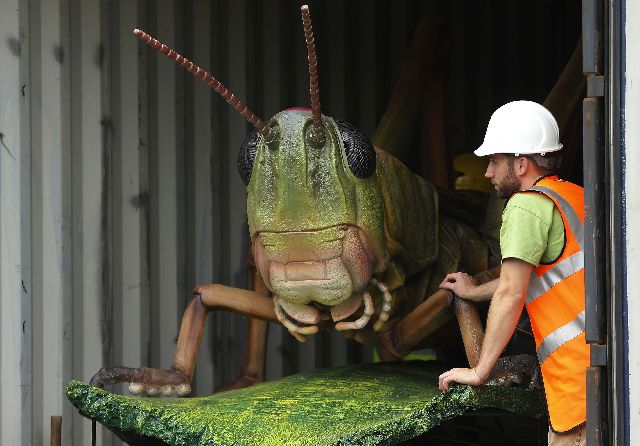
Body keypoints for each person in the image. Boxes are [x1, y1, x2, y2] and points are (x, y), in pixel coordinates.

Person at [437, 100, 588, 445]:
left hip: (573, 386)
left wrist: (479, 371)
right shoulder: (573, 197)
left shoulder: (526, 206)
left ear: (520, 164)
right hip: (605, 379)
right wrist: (474, 292)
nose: (487, 172)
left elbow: (511, 293)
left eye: (493, 161)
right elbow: (548, 277)